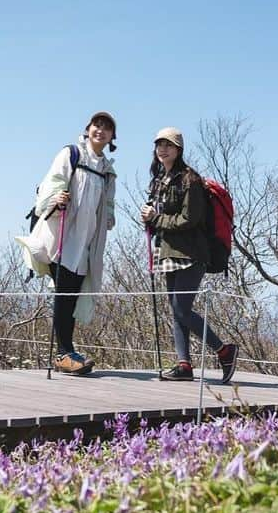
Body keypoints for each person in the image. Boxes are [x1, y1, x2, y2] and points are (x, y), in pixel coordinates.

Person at [17, 112, 118, 375]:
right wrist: (56, 199)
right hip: (60, 236)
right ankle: (64, 353)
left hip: (85, 243)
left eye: (107, 128)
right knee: (64, 293)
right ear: (88, 129)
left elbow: (108, 208)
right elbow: (50, 186)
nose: (101, 131)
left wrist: (109, 217)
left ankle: (66, 353)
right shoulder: (71, 154)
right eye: (97, 125)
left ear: (112, 138)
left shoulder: (108, 171)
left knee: (71, 295)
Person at [140, 127, 238, 383]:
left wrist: (156, 218)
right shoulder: (160, 179)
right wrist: (149, 218)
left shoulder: (190, 180)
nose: (163, 149)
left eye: (168, 145)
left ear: (179, 149)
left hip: (192, 253)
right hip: (168, 252)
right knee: (176, 310)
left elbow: (189, 219)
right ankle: (184, 365)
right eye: (159, 144)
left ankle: (224, 351)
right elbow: (162, 218)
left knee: (182, 309)